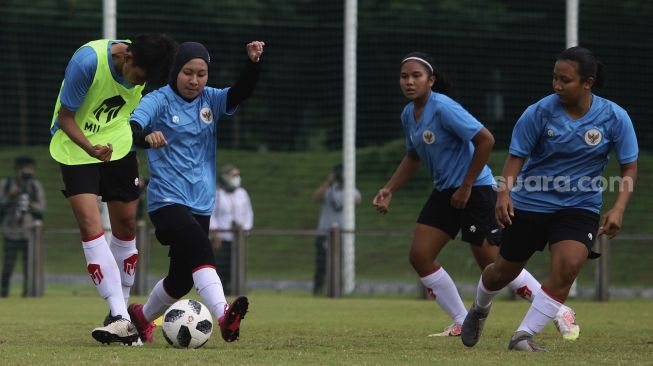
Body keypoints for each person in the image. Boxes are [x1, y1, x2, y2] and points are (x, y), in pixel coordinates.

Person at [372, 52, 578, 338]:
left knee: (495, 266)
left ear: (430, 80)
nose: (409, 81)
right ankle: (462, 320)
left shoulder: (443, 107)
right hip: (447, 191)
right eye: (404, 76)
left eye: (416, 76)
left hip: (475, 190)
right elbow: (413, 156)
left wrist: (467, 186)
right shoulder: (409, 114)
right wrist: (389, 188)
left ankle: (559, 310)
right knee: (420, 256)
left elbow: (485, 140)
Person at [461, 46, 638, 352]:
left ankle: (523, 335)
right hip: (530, 204)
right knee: (503, 272)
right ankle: (479, 309)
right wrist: (504, 194)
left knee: (569, 266)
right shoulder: (539, 112)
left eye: (565, 80)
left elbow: (629, 166)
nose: (556, 85)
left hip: (579, 206)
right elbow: (516, 157)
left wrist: (619, 207)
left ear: (587, 82)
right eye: (554, 78)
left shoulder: (614, 117)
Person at [126, 40, 265, 345]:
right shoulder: (158, 100)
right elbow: (130, 129)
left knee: (182, 278)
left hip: (201, 202)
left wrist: (252, 65)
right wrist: (147, 137)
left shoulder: (211, 100)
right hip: (166, 200)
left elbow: (241, 92)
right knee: (201, 246)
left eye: (201, 74)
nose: (194, 80)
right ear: (176, 71)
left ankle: (140, 317)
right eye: (188, 72)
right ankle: (224, 315)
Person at [48, 34, 177, 345]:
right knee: (91, 226)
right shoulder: (87, 63)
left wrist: (144, 135)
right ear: (128, 57)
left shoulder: (144, 69)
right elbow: (65, 118)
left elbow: (126, 111)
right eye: (138, 77)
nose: (137, 85)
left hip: (117, 144)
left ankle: (119, 314)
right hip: (77, 145)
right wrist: (91, 149)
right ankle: (121, 316)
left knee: (127, 225)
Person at [0, 156, 46, 297]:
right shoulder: (6, 184)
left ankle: (29, 293)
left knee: (29, 266)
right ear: (18, 170)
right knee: (8, 265)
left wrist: (28, 202)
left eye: (31, 169)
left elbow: (41, 208)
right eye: (26, 169)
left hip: (29, 233)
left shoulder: (35, 186)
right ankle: (3, 293)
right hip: (11, 231)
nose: (28, 172)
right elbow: (1, 203)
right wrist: (11, 195)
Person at [312, 164, 361, 295]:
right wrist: (329, 182)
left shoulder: (351, 191)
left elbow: (357, 201)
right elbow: (316, 196)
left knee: (341, 263)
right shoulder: (328, 190)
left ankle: (340, 288)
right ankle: (318, 289)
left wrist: (347, 184)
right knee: (321, 263)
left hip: (343, 235)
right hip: (324, 232)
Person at [209, 164, 254, 295]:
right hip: (222, 238)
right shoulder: (217, 193)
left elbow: (248, 213)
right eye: (234, 175)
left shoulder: (242, 193)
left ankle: (234, 288)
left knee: (236, 265)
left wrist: (245, 230)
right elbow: (212, 214)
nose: (237, 178)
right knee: (221, 265)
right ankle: (219, 290)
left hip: (238, 238)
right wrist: (215, 232)